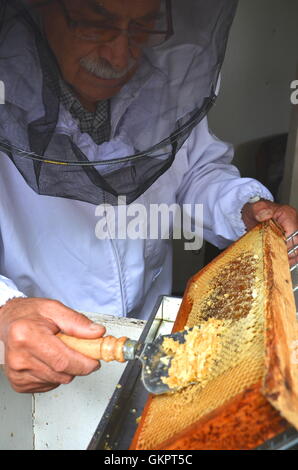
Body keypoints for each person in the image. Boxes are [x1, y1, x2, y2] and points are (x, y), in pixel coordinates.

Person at [0, 0, 297, 394]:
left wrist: (243, 207)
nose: (120, 54)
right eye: (94, 24)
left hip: (149, 339)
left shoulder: (164, 89)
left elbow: (196, 172)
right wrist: (5, 312)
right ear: (41, 12)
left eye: (142, 27)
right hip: (35, 362)